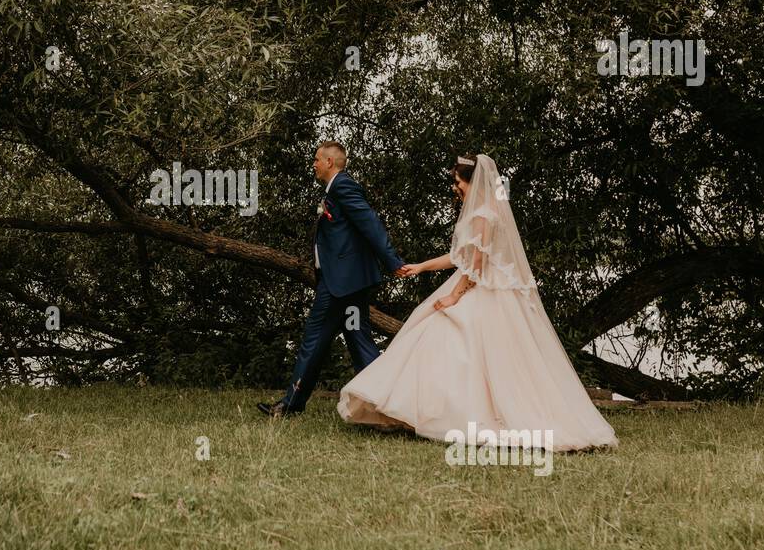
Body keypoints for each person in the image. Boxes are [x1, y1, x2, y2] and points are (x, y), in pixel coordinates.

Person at [337, 153, 618, 451]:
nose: (454, 187)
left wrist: (454, 295)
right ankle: (417, 411)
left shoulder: (483, 214)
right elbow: (459, 257)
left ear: (472, 181)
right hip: (481, 284)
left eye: (457, 181)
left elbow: (477, 265)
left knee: (454, 337)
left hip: (485, 291)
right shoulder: (482, 211)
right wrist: (421, 267)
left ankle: (455, 414)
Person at [258, 140, 405, 418]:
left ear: (329, 162)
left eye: (316, 159)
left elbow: (369, 222)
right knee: (359, 341)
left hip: (339, 286)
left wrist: (393, 261)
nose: (313, 164)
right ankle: (392, 402)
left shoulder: (341, 186)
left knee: (312, 341)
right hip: (350, 285)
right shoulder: (334, 189)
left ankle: (290, 405)